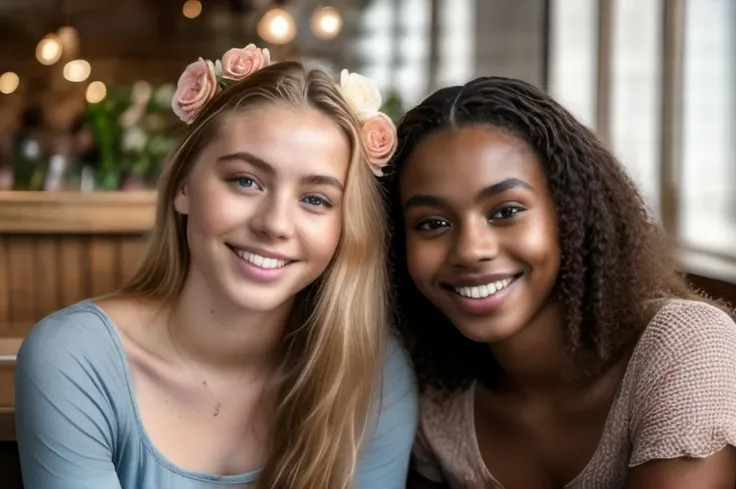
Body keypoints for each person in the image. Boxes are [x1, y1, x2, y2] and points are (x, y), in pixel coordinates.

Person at [15, 45, 416, 489]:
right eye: (246, 181)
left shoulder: (373, 374)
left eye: (315, 199)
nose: (275, 224)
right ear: (183, 185)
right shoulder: (77, 357)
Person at [385, 76, 736, 488]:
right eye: (433, 223)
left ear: (570, 212)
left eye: (505, 211)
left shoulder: (686, 346)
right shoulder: (432, 402)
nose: (469, 250)